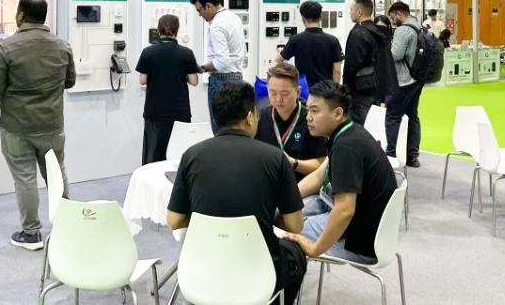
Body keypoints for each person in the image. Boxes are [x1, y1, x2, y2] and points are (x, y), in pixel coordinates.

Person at [167, 82, 307, 304]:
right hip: (258, 268)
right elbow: (295, 225)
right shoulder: (275, 158)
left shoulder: (191, 156)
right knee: (295, 251)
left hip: (204, 266)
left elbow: (174, 220)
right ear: (250, 117)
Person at [0, 0, 75, 250]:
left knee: (25, 179)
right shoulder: (63, 46)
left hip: (17, 127)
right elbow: (70, 81)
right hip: (51, 125)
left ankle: (31, 234)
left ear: (20, 15)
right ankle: (67, 227)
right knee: (56, 174)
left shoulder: (6, 48)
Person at [285, 81, 397, 263]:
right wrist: (285, 199)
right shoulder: (349, 132)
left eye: (315, 111)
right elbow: (318, 176)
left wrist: (314, 249)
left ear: (337, 113)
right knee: (288, 211)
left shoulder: (346, 147)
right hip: (359, 221)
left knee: (285, 226)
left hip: (359, 240)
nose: (308, 117)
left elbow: (345, 210)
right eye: (308, 109)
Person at [136, 14, 199, 164]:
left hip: (155, 111)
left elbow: (142, 80)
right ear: (177, 30)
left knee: (154, 152)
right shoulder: (186, 53)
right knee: (178, 152)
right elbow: (194, 81)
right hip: (180, 111)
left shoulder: (148, 52)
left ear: (158, 30)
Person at [255, 63, 328, 181]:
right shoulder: (259, 117)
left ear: (298, 92)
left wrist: (294, 163)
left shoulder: (311, 119)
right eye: (273, 93)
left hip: (300, 185)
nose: (278, 99)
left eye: (285, 94)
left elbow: (322, 163)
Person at [190, 0, 246, 134]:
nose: (200, 15)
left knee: (220, 130)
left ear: (208, 6)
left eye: (199, 11)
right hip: (237, 78)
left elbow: (221, 62)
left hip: (221, 81)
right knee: (236, 129)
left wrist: (202, 68)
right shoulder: (234, 18)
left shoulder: (217, 26)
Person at [342, 0, 396, 125]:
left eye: (351, 9)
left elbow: (352, 64)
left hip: (360, 90)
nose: (350, 13)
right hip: (376, 87)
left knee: (359, 126)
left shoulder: (359, 33)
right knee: (372, 125)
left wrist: (345, 89)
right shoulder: (377, 31)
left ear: (359, 12)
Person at [386, 2, 424, 167]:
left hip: (403, 80)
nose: (392, 21)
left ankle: (391, 155)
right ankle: (412, 155)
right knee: (412, 115)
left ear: (399, 14)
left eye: (392, 17)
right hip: (417, 78)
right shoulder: (420, 27)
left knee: (393, 116)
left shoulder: (403, 30)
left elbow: (395, 54)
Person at [276, 0, 343, 85]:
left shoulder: (295, 39)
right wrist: (335, 89)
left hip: (304, 88)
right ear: (321, 17)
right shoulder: (333, 41)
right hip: (325, 89)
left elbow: (279, 60)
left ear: (303, 18)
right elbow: (337, 70)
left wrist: (279, 52)